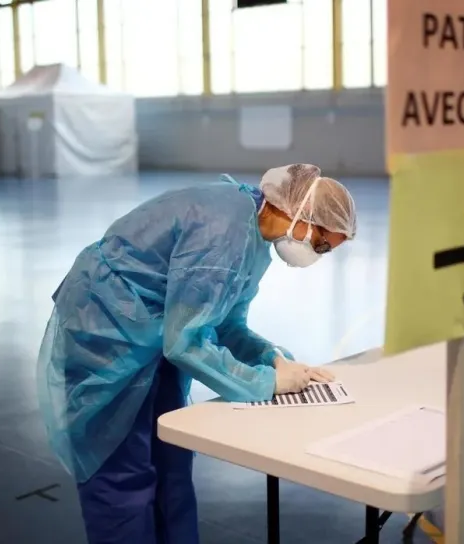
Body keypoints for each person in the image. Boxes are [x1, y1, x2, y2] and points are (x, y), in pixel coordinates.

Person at [36, 163, 357, 544]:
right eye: (322, 245)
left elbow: (225, 323)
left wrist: (270, 358)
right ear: (301, 212)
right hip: (108, 332)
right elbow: (184, 343)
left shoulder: (253, 238)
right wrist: (267, 382)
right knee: (122, 472)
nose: (317, 255)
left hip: (155, 331)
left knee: (171, 461)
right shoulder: (222, 233)